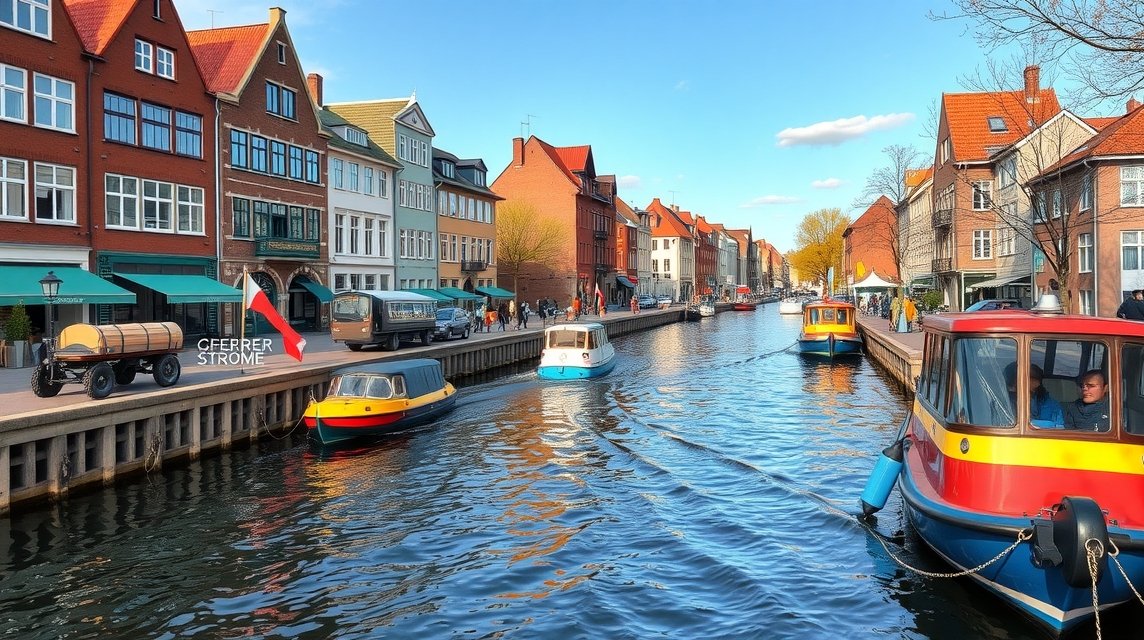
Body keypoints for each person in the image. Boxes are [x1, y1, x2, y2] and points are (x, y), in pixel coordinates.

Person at [1005, 362, 1064, 427]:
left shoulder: (1049, 402)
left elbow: (1059, 426)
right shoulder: (1006, 401)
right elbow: (1010, 423)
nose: (1037, 384)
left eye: (1037, 379)